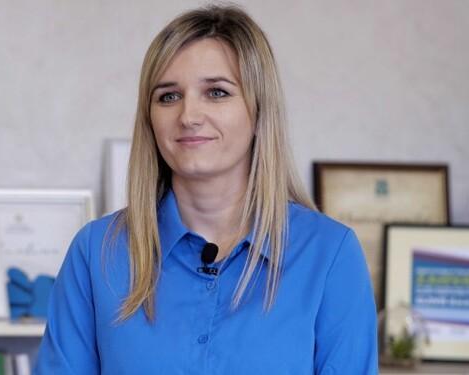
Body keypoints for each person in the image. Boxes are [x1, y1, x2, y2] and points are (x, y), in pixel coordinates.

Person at [35, 4, 378, 374]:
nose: (189, 116)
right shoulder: (96, 253)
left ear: (259, 109)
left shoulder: (329, 255)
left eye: (216, 92)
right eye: (168, 96)